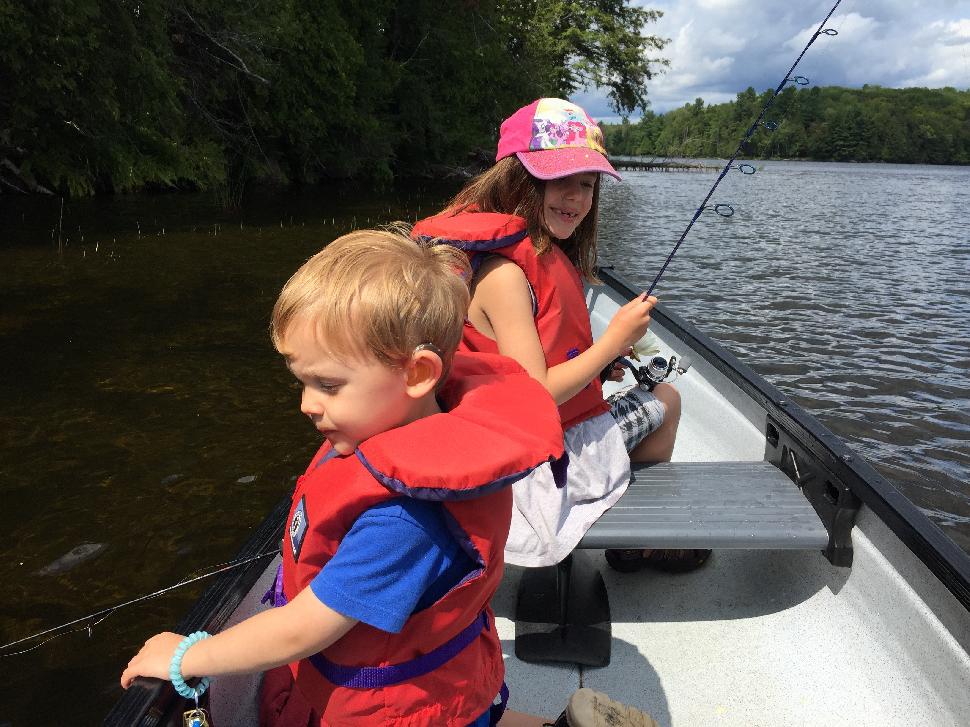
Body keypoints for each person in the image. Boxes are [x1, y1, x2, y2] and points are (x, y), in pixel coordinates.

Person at [119, 229, 656, 727]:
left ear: (418, 374)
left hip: (398, 707)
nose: (306, 404)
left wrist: (189, 655)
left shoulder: (404, 519)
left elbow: (304, 628)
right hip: (443, 671)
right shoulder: (417, 426)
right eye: (301, 381)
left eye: (327, 385)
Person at [413, 98, 709, 572]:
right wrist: (613, 341)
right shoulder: (507, 275)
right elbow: (539, 395)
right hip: (539, 471)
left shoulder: (500, 258)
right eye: (558, 179)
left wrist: (598, 367)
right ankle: (637, 542)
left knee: (638, 392)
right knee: (667, 400)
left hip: (502, 446)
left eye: (587, 184)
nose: (575, 197)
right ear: (514, 178)